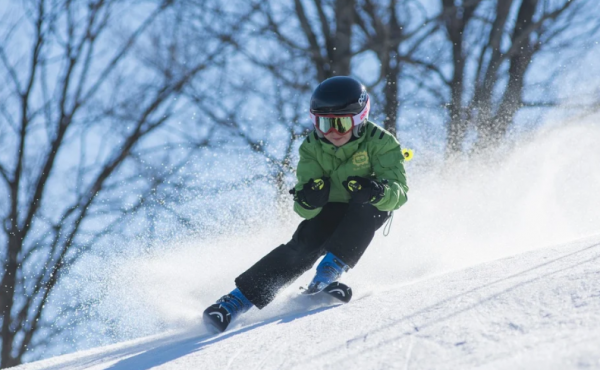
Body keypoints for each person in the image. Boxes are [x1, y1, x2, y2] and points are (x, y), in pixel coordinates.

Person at [203, 76, 409, 332]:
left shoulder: (381, 142)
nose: (331, 132)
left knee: (368, 209)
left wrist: (377, 191)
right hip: (331, 208)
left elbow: (399, 193)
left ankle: (326, 275)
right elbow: (303, 208)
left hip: (367, 205)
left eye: (341, 124)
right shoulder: (312, 146)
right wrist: (309, 199)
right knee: (305, 244)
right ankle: (235, 302)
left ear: (359, 119)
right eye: (323, 124)